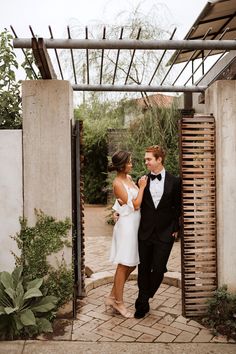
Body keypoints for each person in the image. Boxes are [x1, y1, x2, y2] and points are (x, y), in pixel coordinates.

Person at [134, 145, 182, 319]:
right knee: (144, 269)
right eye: (145, 159)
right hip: (145, 233)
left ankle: (144, 297)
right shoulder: (142, 180)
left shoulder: (175, 181)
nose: (146, 161)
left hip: (165, 232)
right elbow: (134, 202)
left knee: (159, 269)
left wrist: (176, 228)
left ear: (159, 159)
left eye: (149, 159)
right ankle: (142, 304)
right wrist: (117, 212)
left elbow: (177, 206)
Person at [105, 150, 147, 318]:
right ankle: (119, 303)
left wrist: (117, 209)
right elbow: (136, 204)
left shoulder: (128, 179)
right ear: (122, 165)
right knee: (124, 264)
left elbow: (126, 202)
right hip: (127, 227)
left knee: (131, 264)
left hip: (135, 224)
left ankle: (111, 296)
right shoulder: (117, 183)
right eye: (129, 162)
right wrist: (142, 186)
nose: (131, 164)